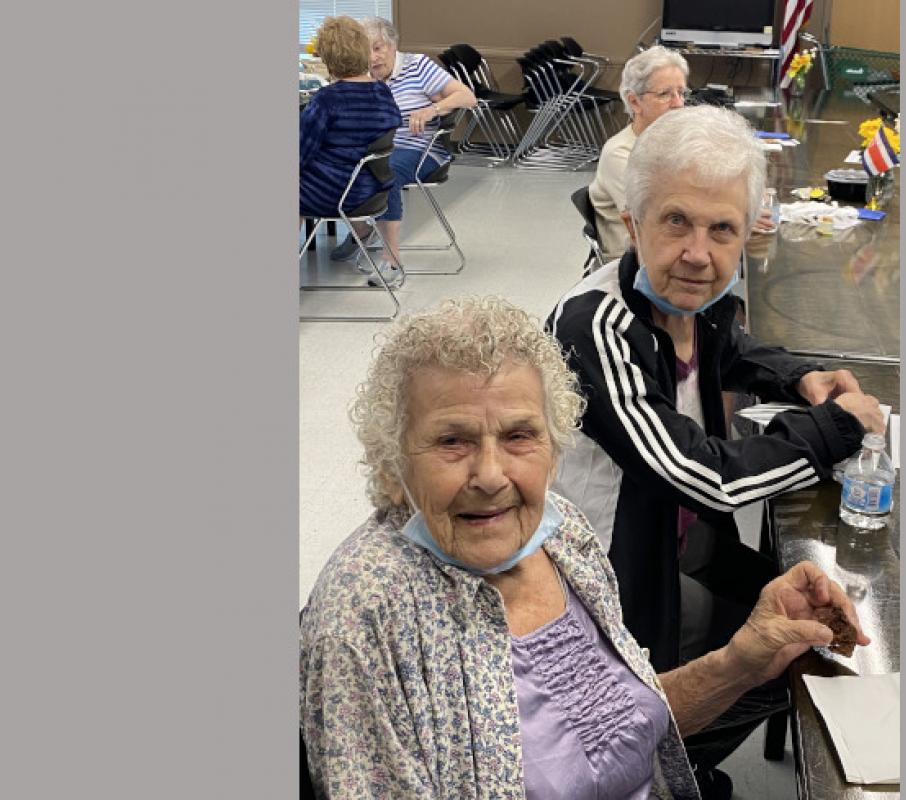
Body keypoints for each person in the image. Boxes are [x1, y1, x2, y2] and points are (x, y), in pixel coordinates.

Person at [299, 296, 869, 799]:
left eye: (520, 435)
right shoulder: (365, 612)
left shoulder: (560, 531)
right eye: (452, 441)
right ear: (393, 461)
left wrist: (742, 660)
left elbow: (622, 724)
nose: (492, 475)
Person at [549, 104, 886, 792]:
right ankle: (666, 764)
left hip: (680, 551)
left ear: (745, 237)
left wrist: (798, 374)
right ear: (634, 223)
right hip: (606, 588)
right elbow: (699, 475)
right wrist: (838, 428)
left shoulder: (690, 301)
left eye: (721, 229)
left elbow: (733, 346)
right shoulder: (594, 323)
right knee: (780, 662)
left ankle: (684, 757)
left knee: (813, 643)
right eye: (676, 221)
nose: (698, 253)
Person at [327, 16, 477, 287]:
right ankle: (362, 231)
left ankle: (391, 260)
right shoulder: (363, 74)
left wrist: (432, 109)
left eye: (378, 48)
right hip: (370, 150)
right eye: (366, 50)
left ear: (393, 45)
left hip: (420, 148)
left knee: (387, 172)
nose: (372, 58)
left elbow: (468, 96)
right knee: (329, 168)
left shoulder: (417, 65)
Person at [299, 17, 403, 237]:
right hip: (372, 189)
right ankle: (363, 231)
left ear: (328, 59)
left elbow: (301, 153)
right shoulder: (382, 91)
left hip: (338, 192)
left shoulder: (327, 99)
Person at [588, 46, 689, 262]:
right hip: (633, 261)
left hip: (670, 245)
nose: (678, 104)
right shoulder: (620, 153)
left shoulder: (674, 143)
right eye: (665, 94)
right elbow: (655, 218)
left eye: (681, 93)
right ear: (634, 102)